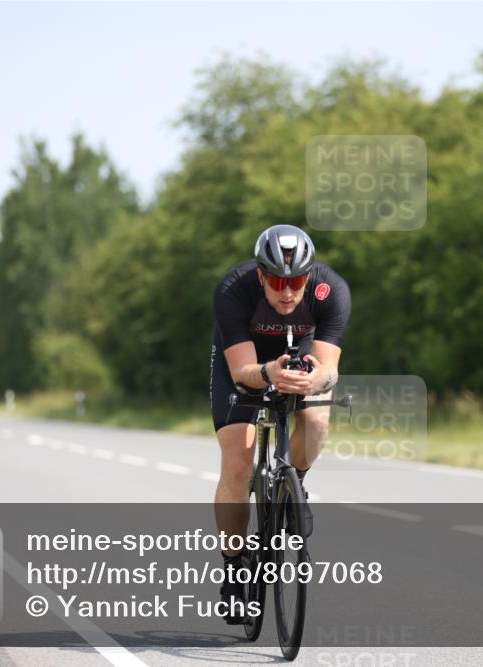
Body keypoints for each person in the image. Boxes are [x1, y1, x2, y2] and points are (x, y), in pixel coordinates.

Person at [210, 224, 351, 623]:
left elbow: (329, 370)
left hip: (299, 353)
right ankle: (235, 568)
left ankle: (294, 486)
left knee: (319, 421)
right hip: (247, 361)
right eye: (276, 281)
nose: (287, 292)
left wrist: (313, 379)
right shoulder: (234, 290)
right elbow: (241, 372)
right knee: (238, 460)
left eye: (296, 282)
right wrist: (270, 372)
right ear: (260, 276)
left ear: (309, 276)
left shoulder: (331, 290)